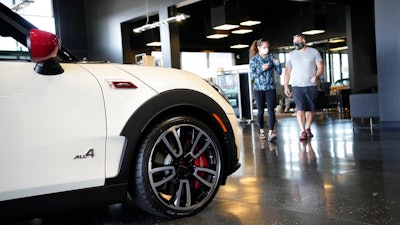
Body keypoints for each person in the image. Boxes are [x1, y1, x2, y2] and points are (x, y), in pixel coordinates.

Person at [284, 34, 324, 141]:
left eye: (298, 42)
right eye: (295, 43)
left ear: (304, 40)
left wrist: (316, 76)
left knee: (310, 109)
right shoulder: (291, 54)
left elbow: (320, 67)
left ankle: (307, 128)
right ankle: (302, 131)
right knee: (300, 108)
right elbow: (287, 71)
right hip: (297, 85)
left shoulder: (314, 52)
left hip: (311, 85)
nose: (297, 44)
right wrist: (286, 85)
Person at [249, 38, 282, 142]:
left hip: (270, 87)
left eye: (267, 47)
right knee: (260, 111)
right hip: (258, 89)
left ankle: (271, 132)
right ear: (259, 48)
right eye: (264, 47)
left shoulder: (271, 58)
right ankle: (262, 131)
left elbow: (279, 72)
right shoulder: (254, 60)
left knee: (272, 110)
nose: (266, 49)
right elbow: (252, 76)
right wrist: (262, 69)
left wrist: (277, 64)